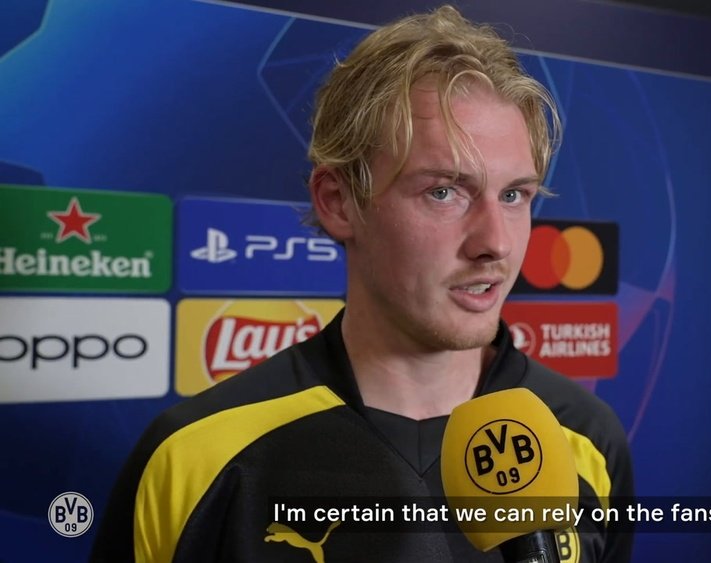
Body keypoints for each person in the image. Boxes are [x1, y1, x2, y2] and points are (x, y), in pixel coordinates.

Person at [91, 5, 633, 562]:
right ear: (338, 201)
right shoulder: (193, 457)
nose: (494, 241)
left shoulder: (586, 438)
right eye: (444, 191)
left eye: (514, 195)